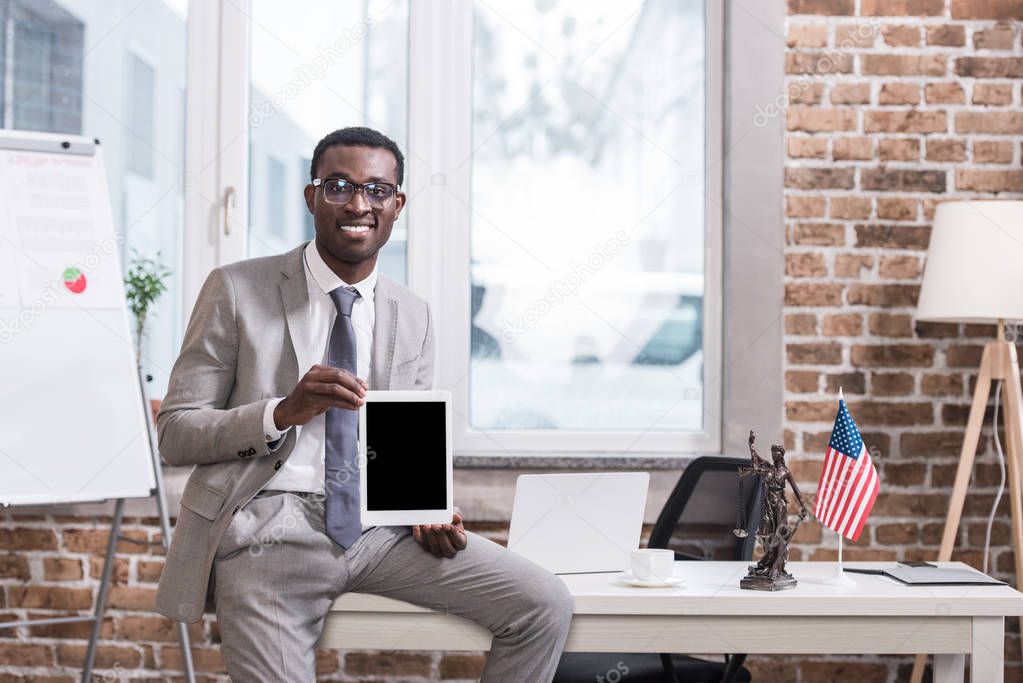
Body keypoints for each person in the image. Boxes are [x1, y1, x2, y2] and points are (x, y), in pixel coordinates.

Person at [154, 126, 573, 681]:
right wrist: (282, 412)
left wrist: (426, 507)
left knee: (543, 604)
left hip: (380, 533)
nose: (358, 204)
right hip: (268, 532)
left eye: (377, 190)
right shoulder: (235, 289)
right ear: (311, 197)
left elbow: (407, 442)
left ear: (397, 205)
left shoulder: (412, 312)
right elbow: (177, 432)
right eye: (338, 186)